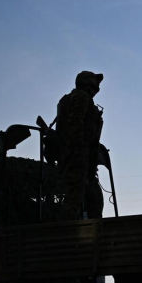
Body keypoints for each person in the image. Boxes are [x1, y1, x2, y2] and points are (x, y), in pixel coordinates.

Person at [55, 71, 104, 220]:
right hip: (77, 155)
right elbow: (75, 124)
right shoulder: (81, 97)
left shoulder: (77, 98)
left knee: (93, 197)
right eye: (95, 82)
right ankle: (67, 234)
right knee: (74, 199)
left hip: (81, 155)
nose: (97, 86)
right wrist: (78, 150)